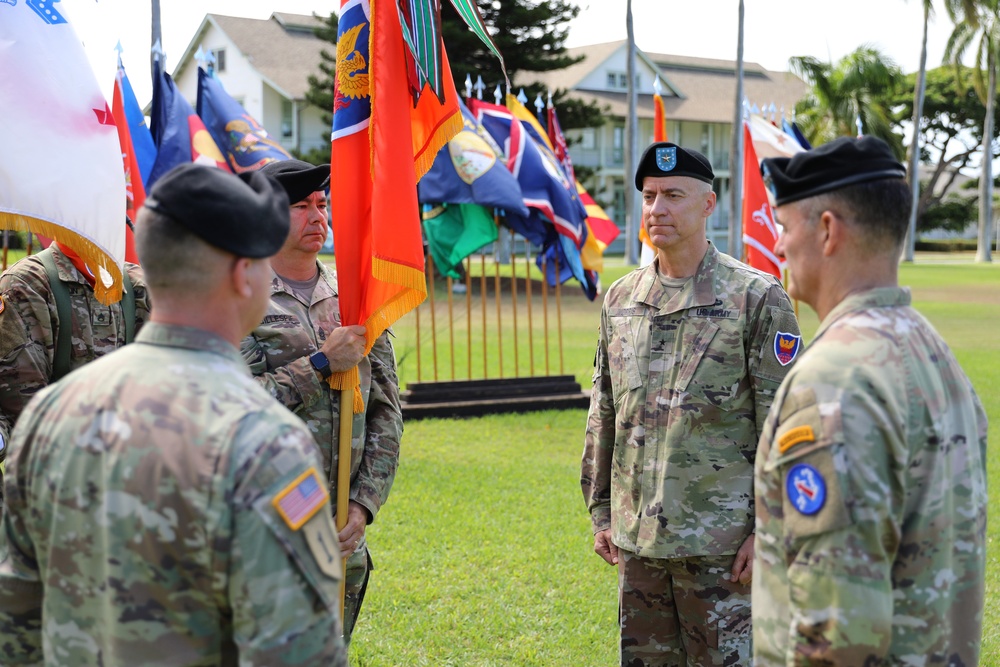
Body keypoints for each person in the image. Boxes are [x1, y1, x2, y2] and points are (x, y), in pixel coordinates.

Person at [0, 164, 348, 666]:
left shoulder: (51, 413)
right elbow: (299, 651)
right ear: (240, 275)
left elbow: (16, 618)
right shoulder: (265, 442)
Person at [753, 136, 988, 665]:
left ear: (828, 230)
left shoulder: (834, 378)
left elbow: (838, 631)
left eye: (785, 228)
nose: (780, 247)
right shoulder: (932, 352)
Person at [582, 142, 801, 666]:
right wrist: (601, 511)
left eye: (674, 195)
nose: (658, 208)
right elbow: (606, 410)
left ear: (708, 204)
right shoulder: (621, 299)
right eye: (650, 196)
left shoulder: (756, 299)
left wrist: (769, 529)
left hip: (723, 549)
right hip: (638, 544)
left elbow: (789, 428)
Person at [241, 159, 402, 641]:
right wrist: (318, 366)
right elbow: (235, 410)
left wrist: (363, 505)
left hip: (340, 532)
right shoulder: (240, 297)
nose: (318, 217)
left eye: (322, 205)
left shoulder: (353, 296)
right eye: (300, 206)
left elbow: (386, 412)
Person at [0, 239, 150, 476]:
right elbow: (22, 410)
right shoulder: (27, 283)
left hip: (130, 477)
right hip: (55, 480)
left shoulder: (138, 284)